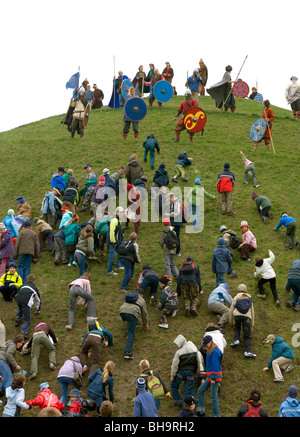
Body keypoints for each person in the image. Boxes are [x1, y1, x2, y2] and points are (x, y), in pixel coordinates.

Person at [171, 334, 204, 407]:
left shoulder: (178, 352)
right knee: (187, 390)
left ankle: (177, 400)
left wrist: (173, 375)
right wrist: (197, 372)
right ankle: (186, 407)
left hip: (180, 373)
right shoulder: (194, 349)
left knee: (174, 385)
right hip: (191, 374)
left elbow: (175, 365)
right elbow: (198, 361)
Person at [196, 335, 222, 417]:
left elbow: (215, 366)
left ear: (210, 342)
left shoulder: (214, 352)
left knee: (214, 397)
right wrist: (205, 373)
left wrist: (214, 378)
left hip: (214, 377)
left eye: (206, 344)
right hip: (211, 376)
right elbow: (211, 367)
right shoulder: (212, 350)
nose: (205, 346)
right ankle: (201, 411)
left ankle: (216, 415)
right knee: (200, 390)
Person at [228, 284, 256, 358]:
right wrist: (252, 325)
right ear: (246, 290)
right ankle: (247, 351)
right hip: (247, 317)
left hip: (237, 315)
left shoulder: (236, 297)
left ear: (238, 290)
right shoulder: (249, 298)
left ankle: (236, 340)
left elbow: (231, 310)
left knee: (237, 328)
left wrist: (230, 321)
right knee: (247, 335)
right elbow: (252, 312)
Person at [120, 290, 148, 360]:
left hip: (122, 311)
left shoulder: (131, 296)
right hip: (132, 313)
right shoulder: (142, 300)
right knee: (131, 333)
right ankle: (128, 353)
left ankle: (128, 324)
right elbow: (144, 314)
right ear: (141, 295)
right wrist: (145, 324)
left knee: (130, 321)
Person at [106, 207, 124, 275]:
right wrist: (114, 241)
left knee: (120, 251)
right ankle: (109, 270)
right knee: (112, 255)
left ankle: (118, 266)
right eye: (120, 212)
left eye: (122, 212)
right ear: (116, 212)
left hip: (117, 240)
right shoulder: (114, 220)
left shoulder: (118, 219)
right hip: (113, 241)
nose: (122, 213)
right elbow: (112, 232)